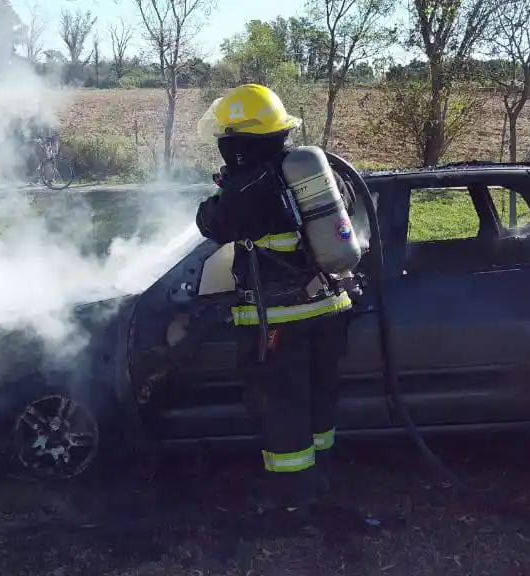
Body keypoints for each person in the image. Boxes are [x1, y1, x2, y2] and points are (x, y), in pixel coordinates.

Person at [193, 84, 355, 518]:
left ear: (240, 141)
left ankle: (291, 497)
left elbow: (212, 222)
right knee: (320, 403)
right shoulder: (308, 171)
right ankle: (321, 478)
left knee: (281, 409)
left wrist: (227, 189)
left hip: (281, 322)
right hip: (329, 309)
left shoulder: (250, 186)